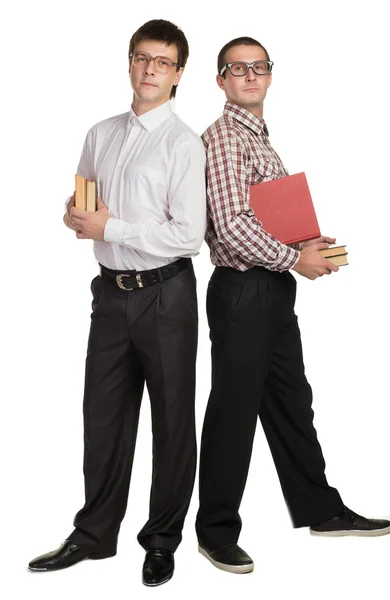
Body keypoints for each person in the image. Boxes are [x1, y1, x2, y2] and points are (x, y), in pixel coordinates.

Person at [195, 36, 390, 574]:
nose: (250, 76)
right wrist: (293, 258)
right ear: (220, 81)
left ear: (271, 75)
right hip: (243, 290)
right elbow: (232, 226)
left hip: (274, 288)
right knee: (233, 411)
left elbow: (262, 215)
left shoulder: (258, 137)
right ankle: (214, 531)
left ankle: (321, 510)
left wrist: (304, 243)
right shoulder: (225, 139)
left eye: (259, 67)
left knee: (290, 401)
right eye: (238, 69)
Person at [28, 19, 206, 587]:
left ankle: (161, 540)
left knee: (171, 420)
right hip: (110, 295)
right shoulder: (100, 133)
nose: (150, 69)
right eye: (141, 58)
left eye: (163, 62)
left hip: (166, 294)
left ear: (178, 74)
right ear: (129, 63)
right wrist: (77, 215)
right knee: (102, 417)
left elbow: (188, 235)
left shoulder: (183, 143)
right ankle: (94, 534)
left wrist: (114, 225)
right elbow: (83, 196)